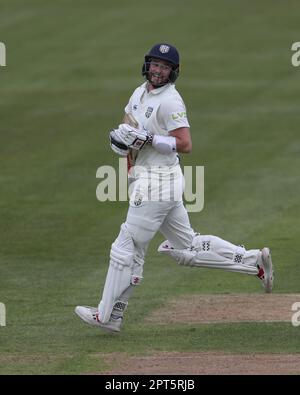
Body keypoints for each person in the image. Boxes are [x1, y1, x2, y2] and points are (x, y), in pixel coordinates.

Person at [75, 43, 274, 333]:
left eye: (164, 67)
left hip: (158, 182)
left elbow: (185, 144)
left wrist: (146, 139)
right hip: (151, 179)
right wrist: (122, 143)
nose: (158, 70)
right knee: (187, 247)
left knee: (127, 247)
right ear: (147, 65)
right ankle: (254, 260)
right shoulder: (139, 93)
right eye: (155, 64)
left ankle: (107, 315)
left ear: (173, 72)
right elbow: (127, 127)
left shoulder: (171, 101)